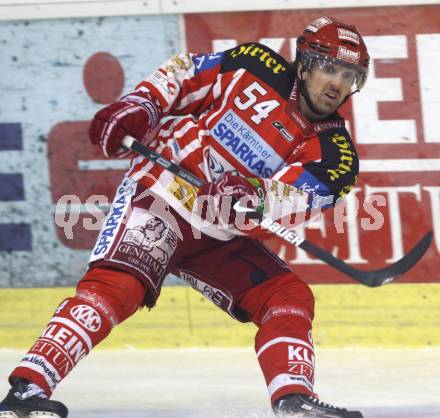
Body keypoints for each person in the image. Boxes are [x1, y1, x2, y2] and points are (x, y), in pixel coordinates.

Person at [0, 16, 370, 418]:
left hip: (215, 234)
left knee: (288, 296)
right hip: (160, 194)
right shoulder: (253, 64)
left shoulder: (336, 153)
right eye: (330, 68)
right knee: (119, 286)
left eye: (348, 75)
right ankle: (26, 391)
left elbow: (300, 197)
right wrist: (140, 104)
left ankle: (293, 399)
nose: (336, 83)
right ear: (304, 63)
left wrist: (255, 197)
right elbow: (186, 74)